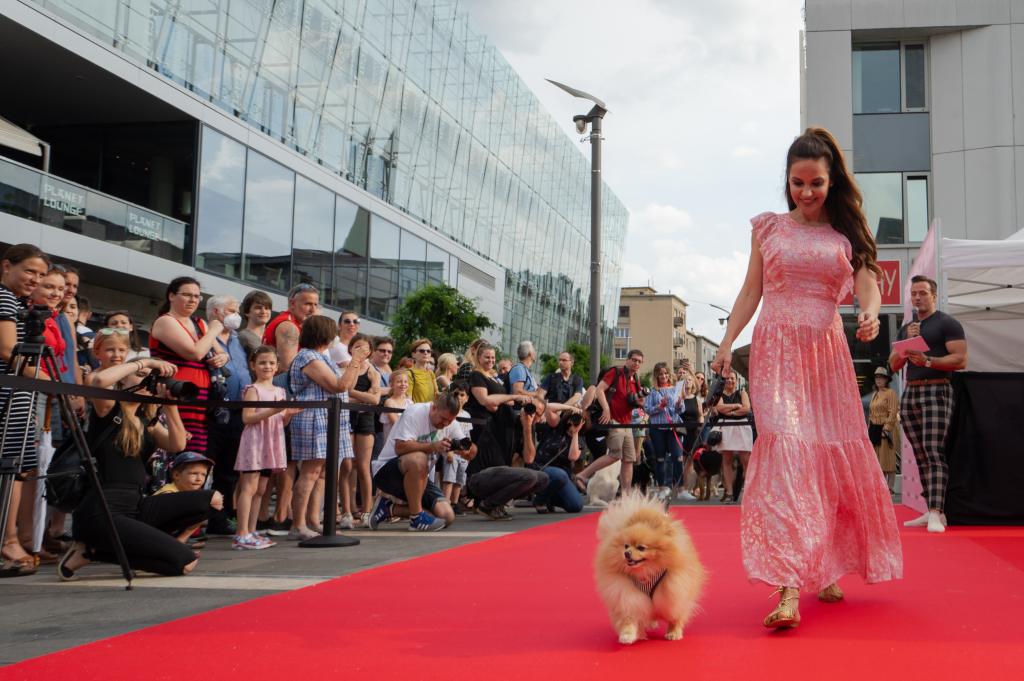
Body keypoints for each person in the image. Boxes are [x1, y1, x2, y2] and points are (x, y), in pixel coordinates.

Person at [711, 127, 902, 629]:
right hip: (776, 352)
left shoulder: (846, 235)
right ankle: (790, 587)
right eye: (797, 183)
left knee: (824, 457)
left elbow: (868, 287)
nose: (806, 192)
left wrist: (868, 312)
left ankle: (828, 563)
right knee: (788, 454)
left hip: (825, 355)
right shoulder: (768, 229)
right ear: (788, 182)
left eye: (816, 183)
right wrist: (729, 341)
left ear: (831, 181)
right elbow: (750, 290)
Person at [58, 329, 222, 580]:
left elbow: (177, 445)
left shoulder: (147, 418)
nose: (150, 380)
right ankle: (93, 551)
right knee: (185, 563)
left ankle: (96, 549)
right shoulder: (108, 409)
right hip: (102, 510)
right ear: (126, 379)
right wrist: (146, 361)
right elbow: (98, 382)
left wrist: (170, 406)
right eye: (143, 376)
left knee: (212, 499)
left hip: (137, 507)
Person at [889, 275, 968, 533]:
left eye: (922, 293)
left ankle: (936, 512)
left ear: (933, 295)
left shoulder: (947, 323)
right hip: (911, 391)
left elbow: (961, 359)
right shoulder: (907, 327)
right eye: (914, 293)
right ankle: (932, 511)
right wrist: (907, 345)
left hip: (937, 389)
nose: (917, 297)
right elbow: (893, 364)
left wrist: (929, 361)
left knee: (933, 451)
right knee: (920, 453)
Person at [288, 316, 364, 540]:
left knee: (322, 474)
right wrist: (355, 359)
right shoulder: (308, 357)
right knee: (310, 472)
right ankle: (298, 524)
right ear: (326, 334)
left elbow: (347, 385)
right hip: (314, 418)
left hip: (330, 418)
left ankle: (314, 520)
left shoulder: (322, 356)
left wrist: (355, 363)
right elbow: (338, 385)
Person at [0, 244, 50, 578]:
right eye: (30, 271)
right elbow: (8, 351)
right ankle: (9, 540)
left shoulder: (17, 303)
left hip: (17, 396)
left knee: (16, 469)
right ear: (7, 266)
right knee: (9, 468)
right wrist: (48, 379)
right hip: (7, 395)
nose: (35, 279)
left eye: (41, 275)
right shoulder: (4, 299)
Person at [260, 283, 319, 534]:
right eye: (307, 303)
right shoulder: (287, 325)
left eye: (315, 304)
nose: (312, 309)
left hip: (282, 394)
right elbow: (289, 365)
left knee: (285, 459)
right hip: (283, 394)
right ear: (292, 303)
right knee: (287, 459)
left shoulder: (295, 325)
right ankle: (280, 515)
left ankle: (273, 514)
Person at [149, 277, 229, 456]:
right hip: (175, 399)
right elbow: (194, 353)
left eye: (197, 296)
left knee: (196, 459)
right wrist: (215, 330)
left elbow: (220, 353)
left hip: (201, 405)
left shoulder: (199, 323)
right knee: (174, 457)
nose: (193, 300)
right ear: (171, 296)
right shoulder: (165, 321)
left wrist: (222, 358)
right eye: (187, 295)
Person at [368, 392, 468, 531]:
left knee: (447, 516)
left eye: (449, 421)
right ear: (433, 408)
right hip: (387, 472)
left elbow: (469, 450)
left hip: (419, 477)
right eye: (443, 418)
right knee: (419, 458)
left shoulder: (450, 422)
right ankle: (416, 518)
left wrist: (467, 450)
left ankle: (389, 509)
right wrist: (432, 446)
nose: (445, 423)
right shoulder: (415, 412)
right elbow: (400, 447)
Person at [235, 346, 293, 550]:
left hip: (272, 441)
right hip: (255, 441)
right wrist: (273, 410)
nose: (267, 366)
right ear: (253, 365)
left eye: (271, 363)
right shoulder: (253, 389)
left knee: (261, 489)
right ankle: (241, 532)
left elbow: (281, 421)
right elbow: (247, 417)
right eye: (262, 362)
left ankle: (252, 530)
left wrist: (289, 413)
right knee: (249, 487)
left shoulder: (280, 391)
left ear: (277, 366)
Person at [205, 294, 252, 535]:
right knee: (208, 465)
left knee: (229, 469)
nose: (237, 315)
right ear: (217, 312)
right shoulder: (205, 336)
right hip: (215, 410)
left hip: (238, 411)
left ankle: (222, 516)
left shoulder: (236, 339)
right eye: (232, 310)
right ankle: (208, 516)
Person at [574, 349, 646, 494]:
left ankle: (626, 495)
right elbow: (599, 389)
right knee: (615, 454)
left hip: (627, 423)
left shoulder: (636, 379)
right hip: (613, 420)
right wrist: (606, 409)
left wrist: (641, 399)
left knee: (628, 459)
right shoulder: (616, 372)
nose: (636, 363)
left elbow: (638, 402)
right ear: (627, 360)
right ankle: (582, 475)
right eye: (634, 360)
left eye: (639, 361)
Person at [521, 402, 585, 513]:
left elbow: (573, 457)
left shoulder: (579, 439)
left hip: (562, 477)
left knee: (576, 505)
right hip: (540, 467)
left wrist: (575, 433)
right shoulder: (557, 426)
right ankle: (540, 500)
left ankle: (548, 499)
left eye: (578, 420)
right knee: (559, 474)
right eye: (573, 419)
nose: (574, 422)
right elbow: (549, 407)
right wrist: (571, 408)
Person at [344, 333, 379, 527]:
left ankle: (367, 510)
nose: (361, 351)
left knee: (364, 466)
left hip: (365, 418)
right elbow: (341, 392)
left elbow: (374, 399)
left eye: (365, 348)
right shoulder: (345, 368)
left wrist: (352, 394)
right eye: (357, 347)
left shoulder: (372, 370)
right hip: (346, 417)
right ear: (350, 348)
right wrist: (362, 397)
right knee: (347, 465)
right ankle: (348, 511)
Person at [710, 370, 752, 502]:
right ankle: (729, 492)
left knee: (746, 460)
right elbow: (720, 408)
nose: (730, 380)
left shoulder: (742, 392)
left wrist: (731, 413)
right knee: (726, 460)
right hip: (726, 427)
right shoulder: (720, 394)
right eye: (727, 378)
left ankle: (749, 492)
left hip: (742, 426)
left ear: (736, 380)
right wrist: (735, 406)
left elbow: (746, 408)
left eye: (732, 378)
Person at [644, 362, 682, 495]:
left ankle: (677, 488)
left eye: (666, 373)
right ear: (656, 376)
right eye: (660, 374)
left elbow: (680, 410)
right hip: (657, 428)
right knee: (660, 458)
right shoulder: (652, 391)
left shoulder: (675, 389)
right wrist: (659, 406)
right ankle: (662, 487)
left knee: (677, 457)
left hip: (673, 427)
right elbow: (647, 409)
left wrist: (678, 404)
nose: (664, 376)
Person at [868, 366, 899, 493]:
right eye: (876, 377)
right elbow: (871, 413)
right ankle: (880, 486)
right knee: (876, 458)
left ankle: (890, 487)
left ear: (887, 380)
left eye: (881, 377)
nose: (878, 379)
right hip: (874, 427)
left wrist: (886, 429)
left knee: (888, 458)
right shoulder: (875, 394)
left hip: (885, 428)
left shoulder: (890, 393)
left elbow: (892, 412)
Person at [238, 290, 273, 358]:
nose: (263, 311)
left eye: (267, 308)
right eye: (258, 308)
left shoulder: (272, 335)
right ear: (247, 312)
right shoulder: (242, 337)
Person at [381, 369, 413, 442]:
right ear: (391, 384)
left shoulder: (409, 402)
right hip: (393, 442)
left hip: (407, 438)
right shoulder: (389, 402)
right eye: (399, 382)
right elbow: (396, 423)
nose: (403, 384)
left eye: (405, 381)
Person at [407, 338, 437, 403]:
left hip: (431, 412)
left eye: (428, 351)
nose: (426, 353)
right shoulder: (409, 373)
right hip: (417, 412)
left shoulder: (431, 373)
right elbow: (408, 400)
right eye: (422, 351)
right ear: (413, 354)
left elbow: (436, 394)